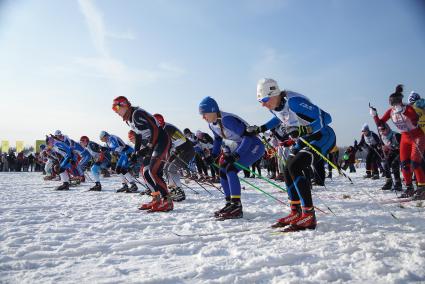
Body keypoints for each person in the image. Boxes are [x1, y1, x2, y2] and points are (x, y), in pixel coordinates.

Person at [249, 78, 335, 231]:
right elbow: (277, 119)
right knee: (287, 167)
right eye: (260, 101)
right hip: (304, 139)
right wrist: (259, 129)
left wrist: (304, 130)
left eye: (264, 100)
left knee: (295, 165)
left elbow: (327, 118)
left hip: (323, 136)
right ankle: (296, 212)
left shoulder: (294, 101)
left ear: (274, 93)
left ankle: (309, 215)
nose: (263, 104)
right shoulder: (274, 106)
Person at [199, 96, 265, 220]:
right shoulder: (212, 125)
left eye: (204, 114)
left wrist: (237, 154)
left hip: (254, 145)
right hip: (242, 145)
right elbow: (218, 140)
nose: (203, 117)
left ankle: (237, 206)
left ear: (213, 110)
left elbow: (248, 137)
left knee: (231, 169)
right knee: (223, 169)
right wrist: (213, 156)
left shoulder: (226, 120)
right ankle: (230, 203)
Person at [112, 96, 173, 212]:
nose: (116, 112)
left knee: (154, 171)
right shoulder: (129, 120)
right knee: (145, 172)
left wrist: (149, 146)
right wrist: (136, 152)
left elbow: (155, 128)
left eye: (116, 108)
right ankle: (156, 198)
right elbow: (138, 136)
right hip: (153, 143)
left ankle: (168, 201)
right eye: (113, 109)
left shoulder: (137, 113)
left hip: (161, 140)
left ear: (124, 105)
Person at [371, 85, 425, 200]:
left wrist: (404, 112)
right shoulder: (391, 111)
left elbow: (415, 120)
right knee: (404, 164)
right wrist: (375, 116)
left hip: (417, 135)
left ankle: (422, 189)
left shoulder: (408, 108)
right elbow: (380, 123)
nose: (395, 107)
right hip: (405, 138)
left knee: (415, 163)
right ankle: (409, 187)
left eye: (396, 104)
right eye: (393, 105)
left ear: (400, 102)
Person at [153, 113, 195, 202]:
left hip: (187, 150)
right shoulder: (161, 130)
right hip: (178, 151)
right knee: (165, 168)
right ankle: (173, 189)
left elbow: (182, 139)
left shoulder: (169, 128)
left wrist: (170, 145)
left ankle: (179, 192)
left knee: (172, 168)